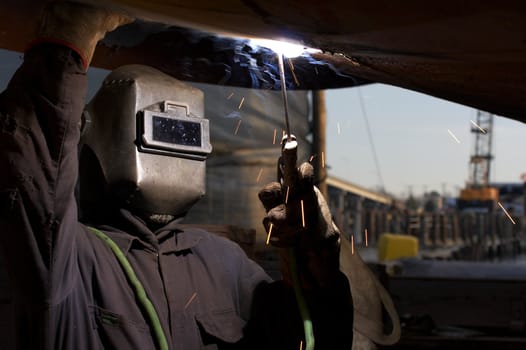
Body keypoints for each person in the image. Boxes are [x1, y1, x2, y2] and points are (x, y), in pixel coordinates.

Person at [0, 2, 400, 349]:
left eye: (186, 134)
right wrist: (62, 48)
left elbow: (310, 343)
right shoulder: (70, 259)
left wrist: (320, 276)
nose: (174, 148)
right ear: (91, 136)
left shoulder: (223, 263)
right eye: (162, 130)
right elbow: (33, 177)